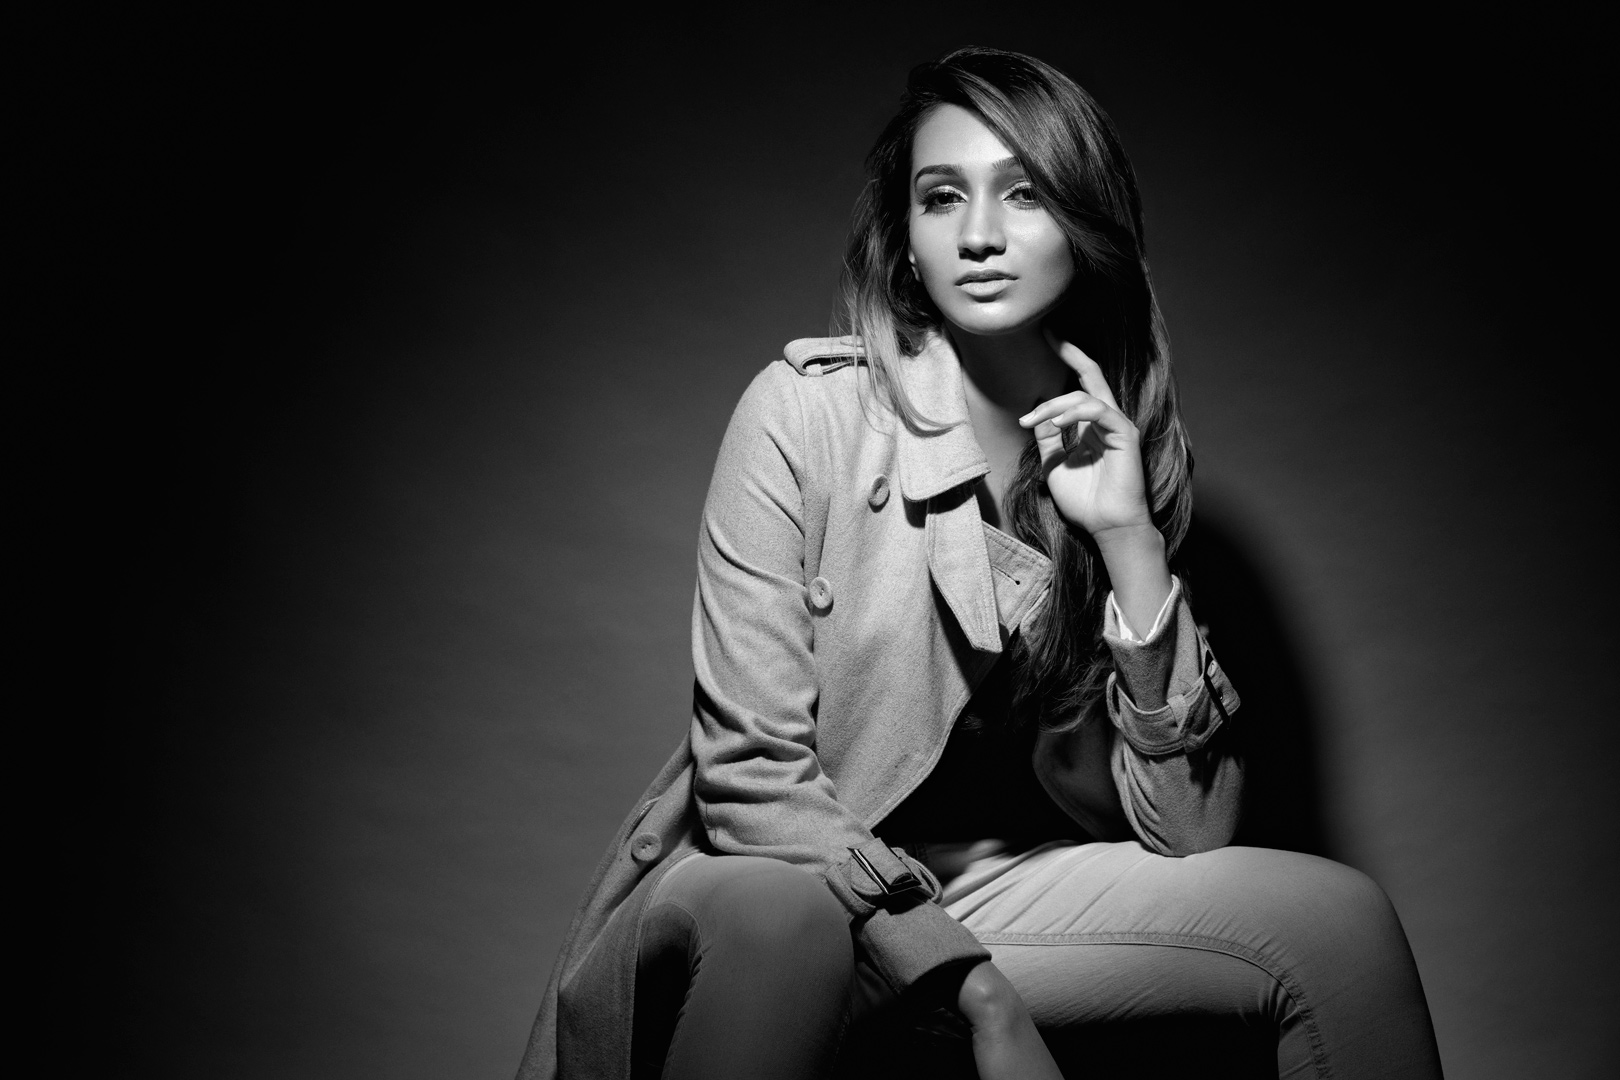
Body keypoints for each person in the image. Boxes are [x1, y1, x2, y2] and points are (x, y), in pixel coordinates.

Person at [517, 47, 1443, 1080]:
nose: (980, 235)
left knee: (1339, 924)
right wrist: (977, 988)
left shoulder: (1108, 451)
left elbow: (1191, 834)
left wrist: (1127, 536)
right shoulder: (806, 415)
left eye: (1024, 195)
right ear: (906, 243)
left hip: (978, 883)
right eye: (941, 196)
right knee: (789, 920)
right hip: (783, 875)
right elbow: (751, 783)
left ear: (1082, 231)